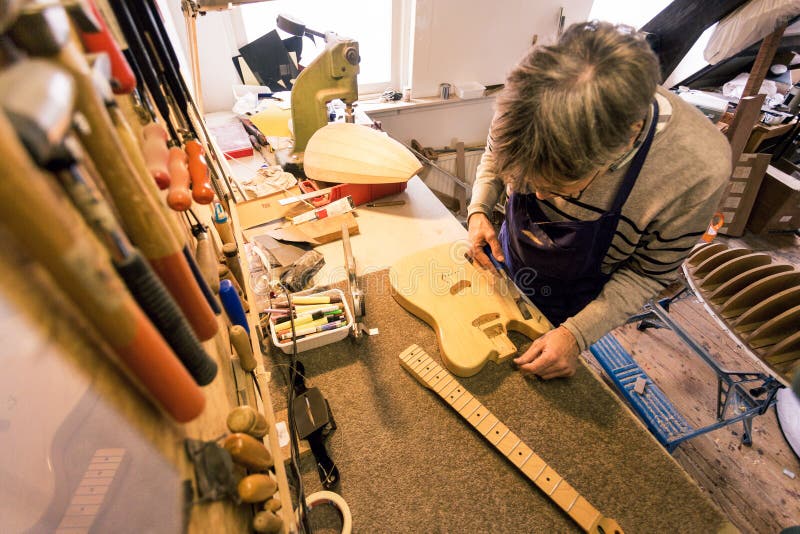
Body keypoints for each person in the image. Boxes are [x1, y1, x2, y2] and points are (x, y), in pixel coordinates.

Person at [467, 21, 732, 380]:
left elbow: (646, 274)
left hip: (581, 296)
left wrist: (576, 335)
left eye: (559, 188)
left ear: (625, 141)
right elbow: (494, 158)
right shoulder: (526, 99)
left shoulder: (696, 171)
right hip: (511, 263)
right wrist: (480, 209)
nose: (537, 196)